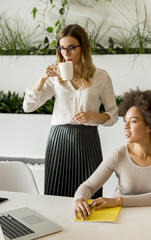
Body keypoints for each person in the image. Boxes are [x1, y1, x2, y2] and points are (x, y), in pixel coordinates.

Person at [23, 24, 118, 197]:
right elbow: (28, 107)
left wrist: (92, 116)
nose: (66, 53)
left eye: (71, 48)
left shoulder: (101, 77)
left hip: (88, 141)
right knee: (56, 195)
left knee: (89, 197)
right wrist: (42, 78)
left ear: (83, 48)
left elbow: (113, 115)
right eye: (62, 48)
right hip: (59, 140)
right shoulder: (55, 77)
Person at [73, 89, 151, 220]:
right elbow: (89, 186)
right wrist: (79, 200)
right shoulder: (119, 154)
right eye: (125, 121)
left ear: (149, 126)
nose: (126, 126)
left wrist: (118, 200)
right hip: (118, 217)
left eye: (133, 121)